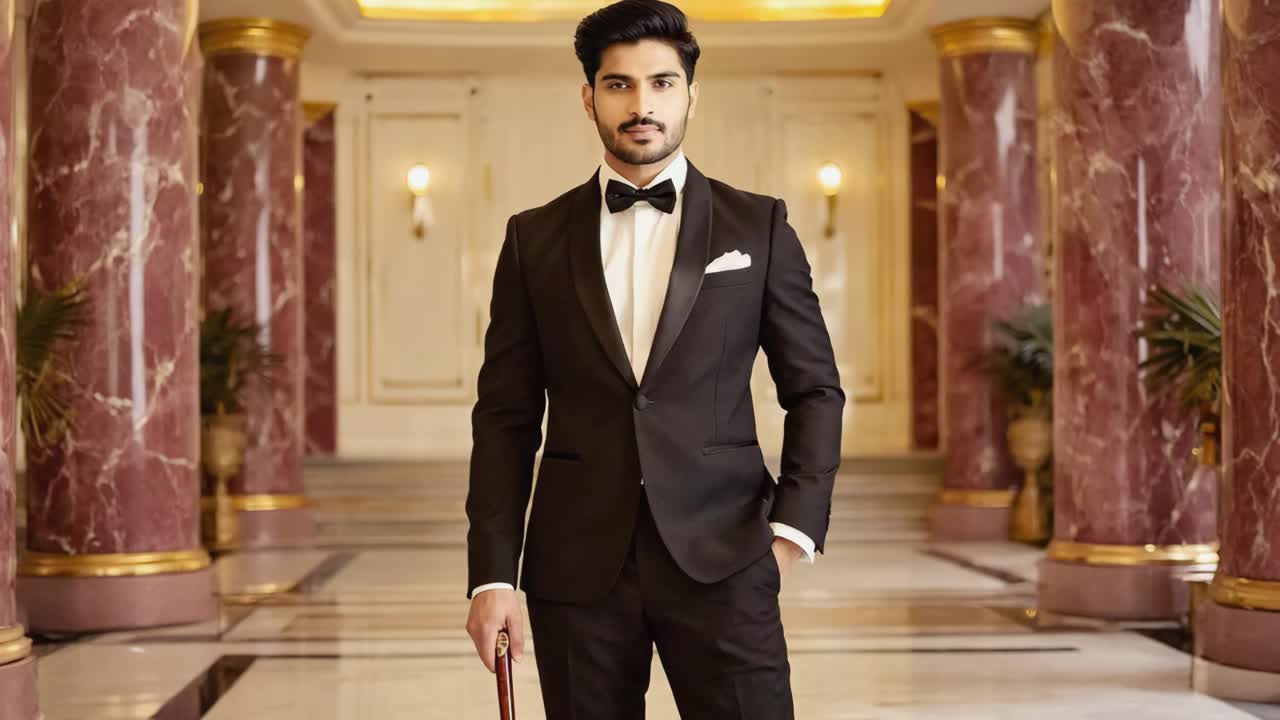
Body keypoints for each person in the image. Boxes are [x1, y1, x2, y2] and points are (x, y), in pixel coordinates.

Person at [464, 1, 844, 716]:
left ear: (691, 95)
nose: (643, 104)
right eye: (619, 85)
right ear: (589, 98)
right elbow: (505, 419)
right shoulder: (532, 240)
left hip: (728, 557)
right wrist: (492, 576)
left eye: (662, 84)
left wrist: (791, 532)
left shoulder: (757, 226)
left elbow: (816, 389)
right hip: (575, 571)